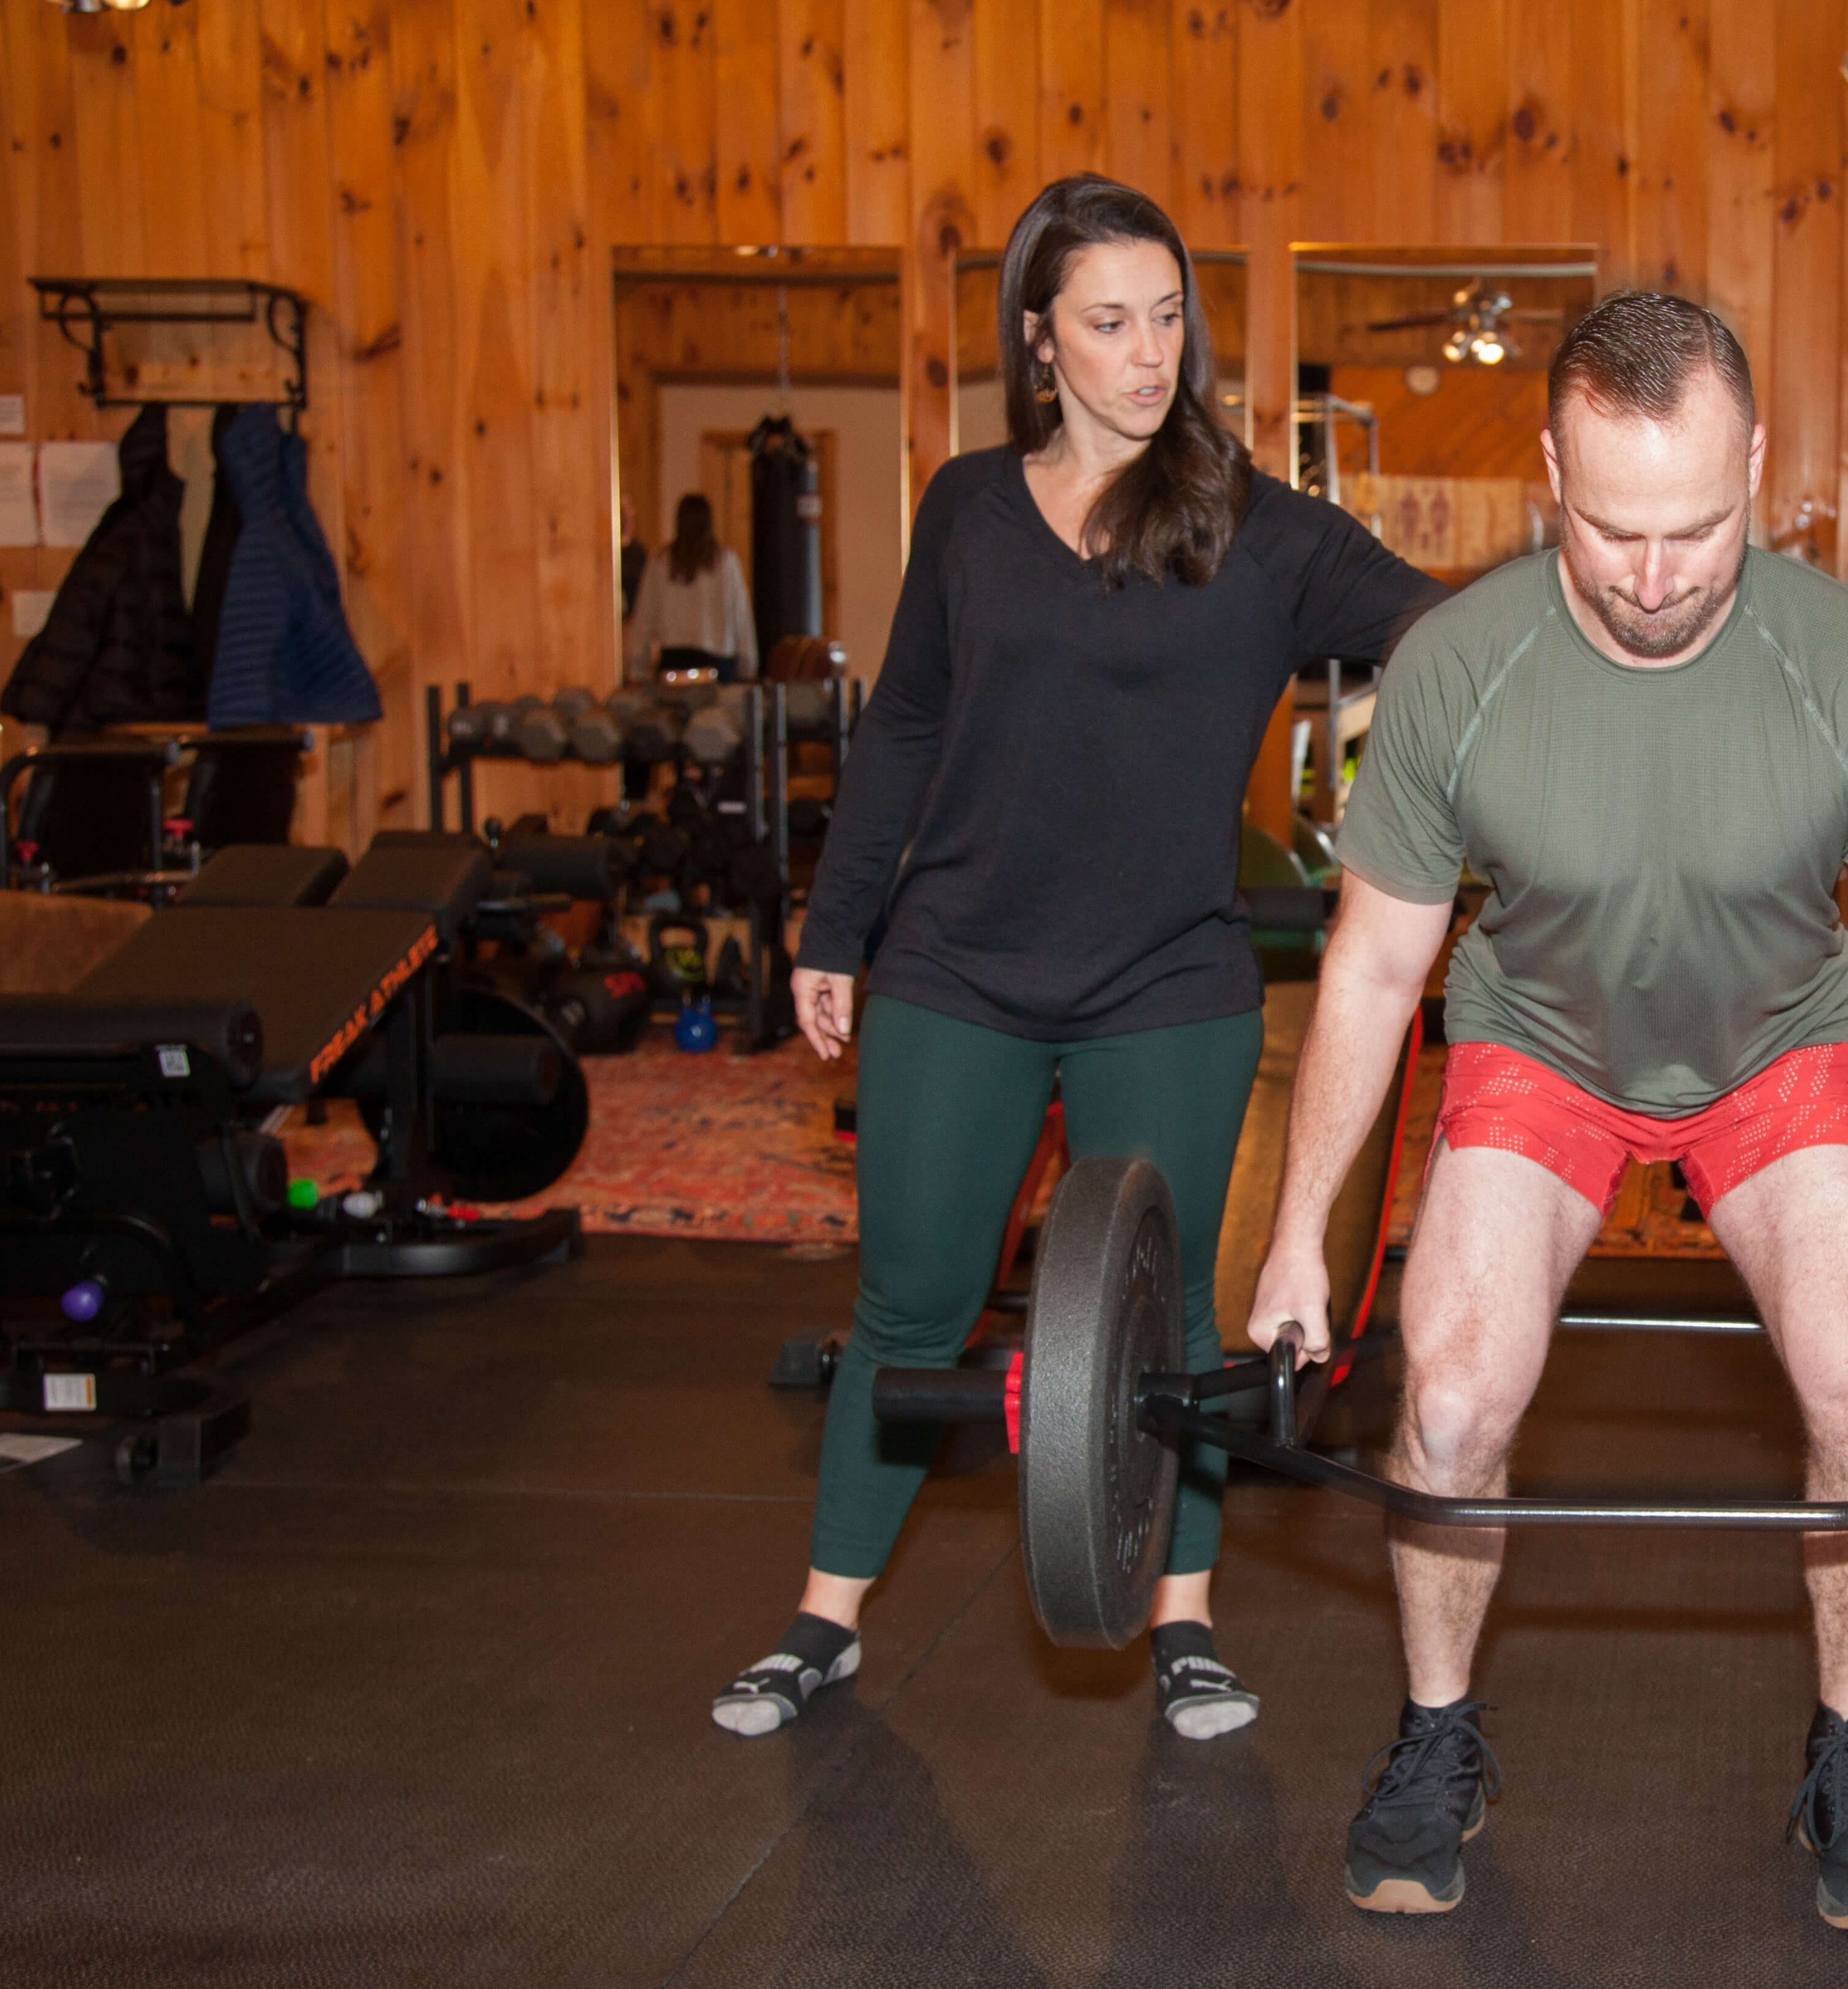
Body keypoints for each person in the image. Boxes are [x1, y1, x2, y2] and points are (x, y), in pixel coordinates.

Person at [1243, 293, 1848, 1930]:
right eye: (1614, 530)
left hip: (1778, 1049)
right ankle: (1434, 1735)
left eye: (1696, 528)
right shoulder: (1455, 667)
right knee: (1455, 1397)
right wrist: (1293, 1245)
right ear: (1550, 471)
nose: (1654, 573)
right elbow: (1371, 969)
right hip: (1540, 1045)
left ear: (1756, 466)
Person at [709, 174, 1443, 1744]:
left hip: (1166, 983)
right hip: (954, 964)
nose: (1147, 352)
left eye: (1168, 317)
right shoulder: (967, 506)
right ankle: (823, 1621)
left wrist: (1619, 590)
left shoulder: (1263, 531)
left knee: (1169, 1326)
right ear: (1039, 340)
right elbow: (904, 721)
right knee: (910, 1307)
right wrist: (833, 925)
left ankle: (1182, 1623)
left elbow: (1447, 637)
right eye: (1109, 323)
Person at [624, 492, 758, 682]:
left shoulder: (661, 563)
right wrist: (748, 666)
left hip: (674, 663)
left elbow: (644, 620)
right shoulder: (726, 563)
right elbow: (741, 618)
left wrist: (637, 669)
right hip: (718, 664)